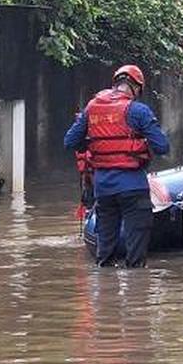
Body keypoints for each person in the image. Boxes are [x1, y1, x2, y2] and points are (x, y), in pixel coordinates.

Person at [64, 65, 170, 268]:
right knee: (136, 258)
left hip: (103, 189)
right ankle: (134, 294)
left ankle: (105, 293)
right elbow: (162, 147)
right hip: (133, 188)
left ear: (116, 84)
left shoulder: (92, 108)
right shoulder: (139, 111)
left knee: (104, 255)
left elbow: (70, 141)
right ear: (137, 88)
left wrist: (94, 143)